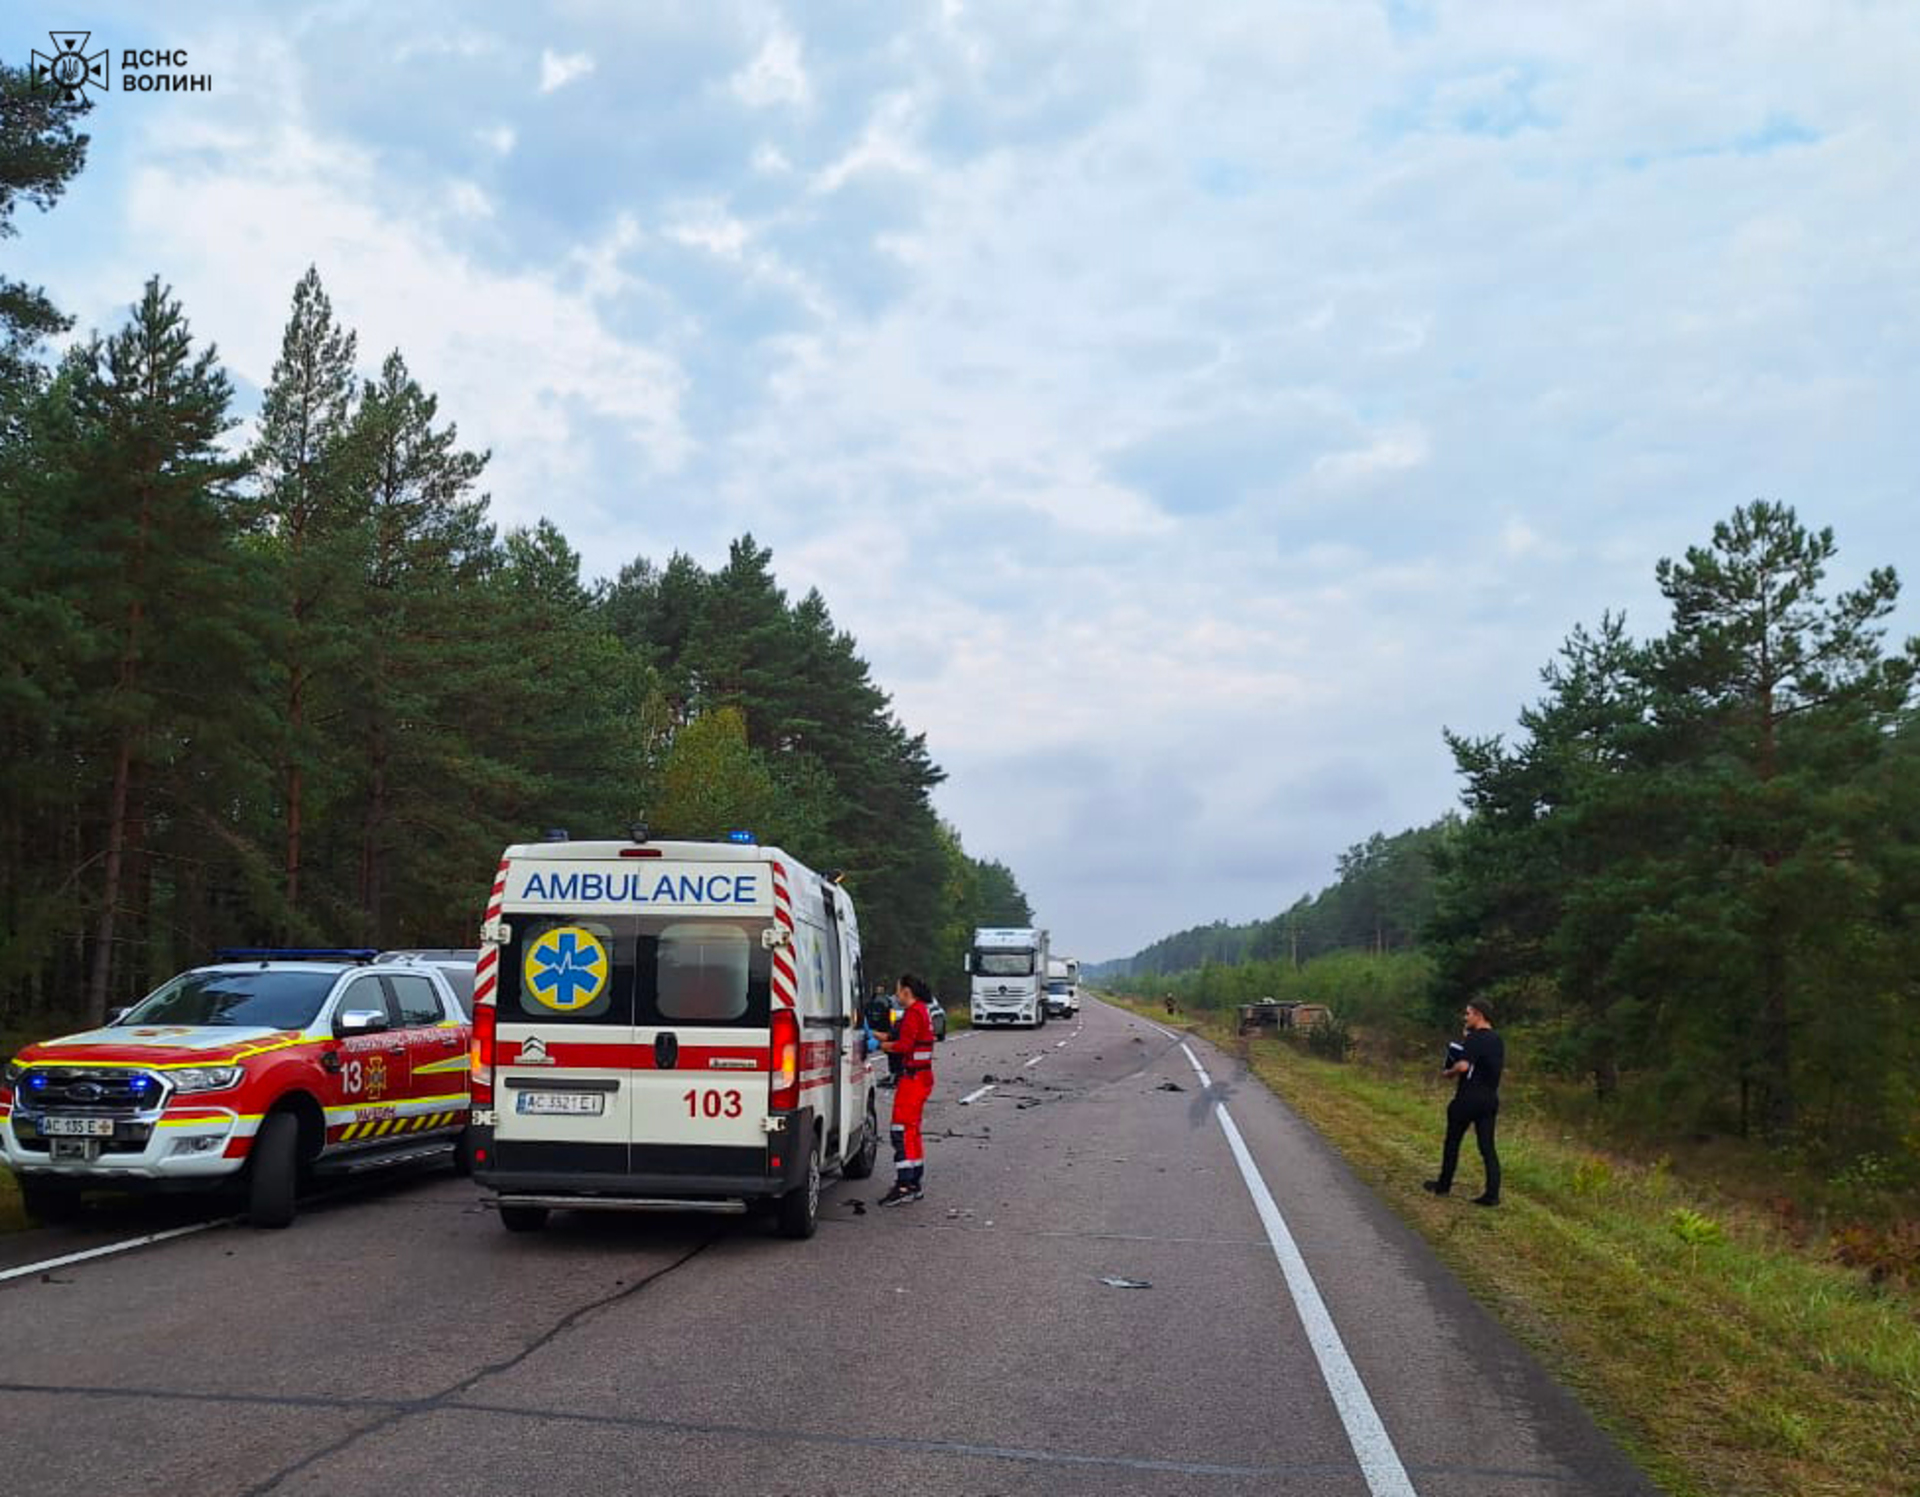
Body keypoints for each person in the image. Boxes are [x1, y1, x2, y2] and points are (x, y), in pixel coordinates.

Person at [1424, 998, 1504, 1207]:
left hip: (1468, 1098)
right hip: (1489, 1099)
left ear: (1478, 1014)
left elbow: (1463, 1066)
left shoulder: (1475, 1039)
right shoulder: (1497, 1040)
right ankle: (1492, 1194)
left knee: (1452, 1142)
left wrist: (1448, 1073)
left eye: (1468, 1013)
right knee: (1487, 1147)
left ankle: (1443, 1185)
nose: (1465, 1017)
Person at [878, 973, 936, 1207]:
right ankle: (914, 1182)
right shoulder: (922, 1010)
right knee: (912, 1131)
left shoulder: (913, 1013)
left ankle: (904, 1185)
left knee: (900, 1130)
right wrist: (878, 1035)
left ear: (906, 992)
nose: (895, 995)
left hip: (912, 1080)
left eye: (897, 990)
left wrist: (882, 1046)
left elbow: (904, 1045)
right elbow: (903, 1036)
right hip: (922, 1076)